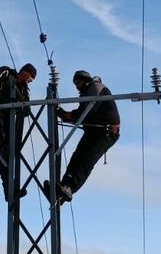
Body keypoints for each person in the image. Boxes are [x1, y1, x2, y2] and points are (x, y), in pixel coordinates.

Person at [44, 69, 119, 203]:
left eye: (78, 82)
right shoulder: (88, 92)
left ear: (85, 80)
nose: (77, 86)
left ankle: (69, 188)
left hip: (105, 133)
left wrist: (65, 115)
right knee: (77, 157)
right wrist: (65, 115)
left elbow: (86, 112)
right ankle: (62, 190)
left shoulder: (95, 88)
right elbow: (83, 113)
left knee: (86, 160)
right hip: (95, 132)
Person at [0, 63, 37, 201]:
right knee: (2, 144)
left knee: (8, 149)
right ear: (24, 72)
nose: (29, 81)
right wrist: (1, 98)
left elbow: (26, 108)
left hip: (7, 116)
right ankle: (8, 186)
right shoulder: (6, 72)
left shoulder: (23, 88)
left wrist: (24, 108)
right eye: (29, 78)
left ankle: (9, 188)